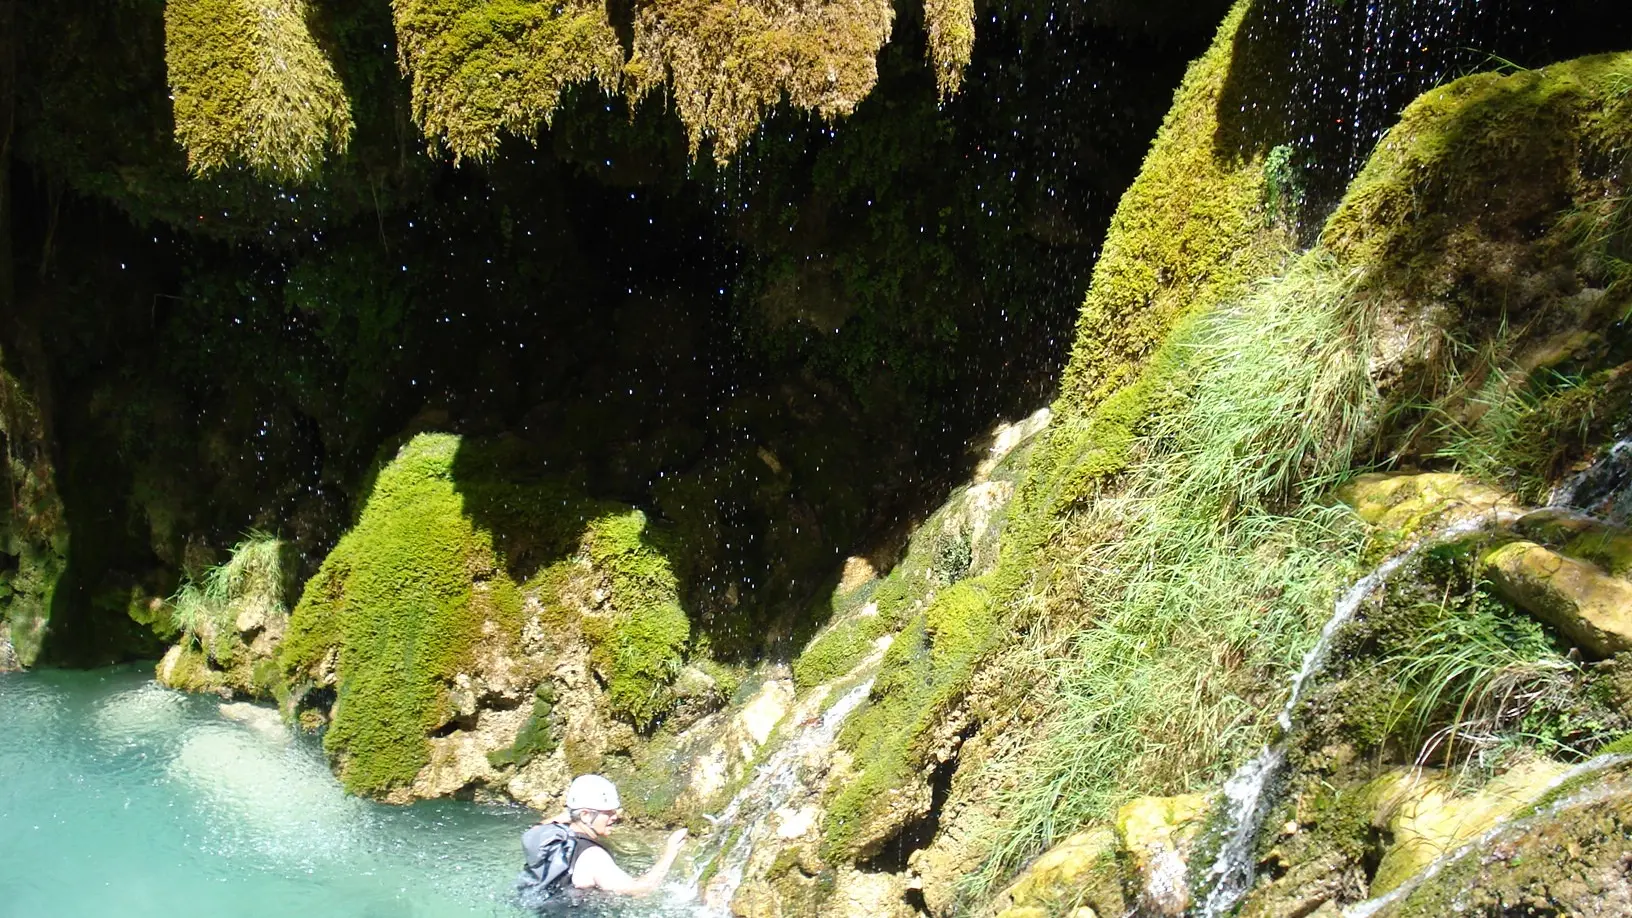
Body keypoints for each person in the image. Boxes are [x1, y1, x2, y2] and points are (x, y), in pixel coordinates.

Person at [515, 774, 688, 908]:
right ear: (585, 815)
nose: (615, 817)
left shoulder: (543, 835)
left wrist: (571, 815)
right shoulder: (592, 856)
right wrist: (670, 852)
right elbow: (641, 890)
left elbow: (536, 827)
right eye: (609, 812)